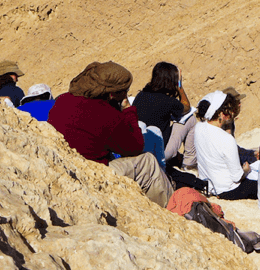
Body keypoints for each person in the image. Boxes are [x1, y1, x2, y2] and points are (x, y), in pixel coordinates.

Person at [47, 61, 174, 207]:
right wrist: (128, 111)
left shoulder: (63, 99)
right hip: (90, 173)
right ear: (112, 93)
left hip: (63, 165)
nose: (126, 94)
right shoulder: (107, 114)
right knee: (148, 162)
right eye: (124, 90)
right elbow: (135, 147)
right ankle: (170, 209)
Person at [193, 91, 258, 199]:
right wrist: (246, 170)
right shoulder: (226, 139)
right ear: (221, 114)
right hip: (228, 190)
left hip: (209, 185)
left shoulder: (198, 128)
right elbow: (237, 177)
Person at [132, 62, 192, 161]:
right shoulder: (168, 101)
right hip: (158, 152)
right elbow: (186, 107)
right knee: (191, 119)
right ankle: (189, 164)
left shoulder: (141, 95)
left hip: (139, 148)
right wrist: (180, 86)